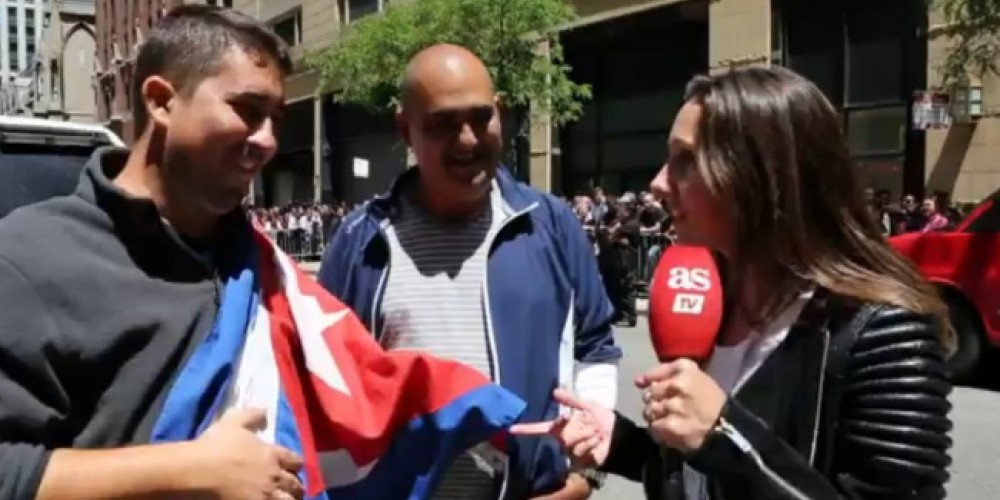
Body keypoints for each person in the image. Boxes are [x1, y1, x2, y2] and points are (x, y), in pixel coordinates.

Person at [512, 67, 953, 499]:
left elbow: (730, 451)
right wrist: (622, 444)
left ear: (760, 177)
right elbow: (701, 476)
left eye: (686, 160)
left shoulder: (883, 331)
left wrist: (724, 436)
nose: (658, 183)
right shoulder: (707, 297)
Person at [0, 6, 305, 499]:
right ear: (162, 101)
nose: (268, 140)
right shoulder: (27, 258)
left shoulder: (263, 265)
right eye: (248, 111)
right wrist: (191, 468)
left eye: (276, 119)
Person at [317, 44, 621, 499]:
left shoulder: (553, 225)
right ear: (405, 129)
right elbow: (324, 384)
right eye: (442, 123)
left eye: (481, 118)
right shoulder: (359, 241)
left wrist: (585, 474)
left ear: (501, 113)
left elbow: (595, 348)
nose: (467, 140)